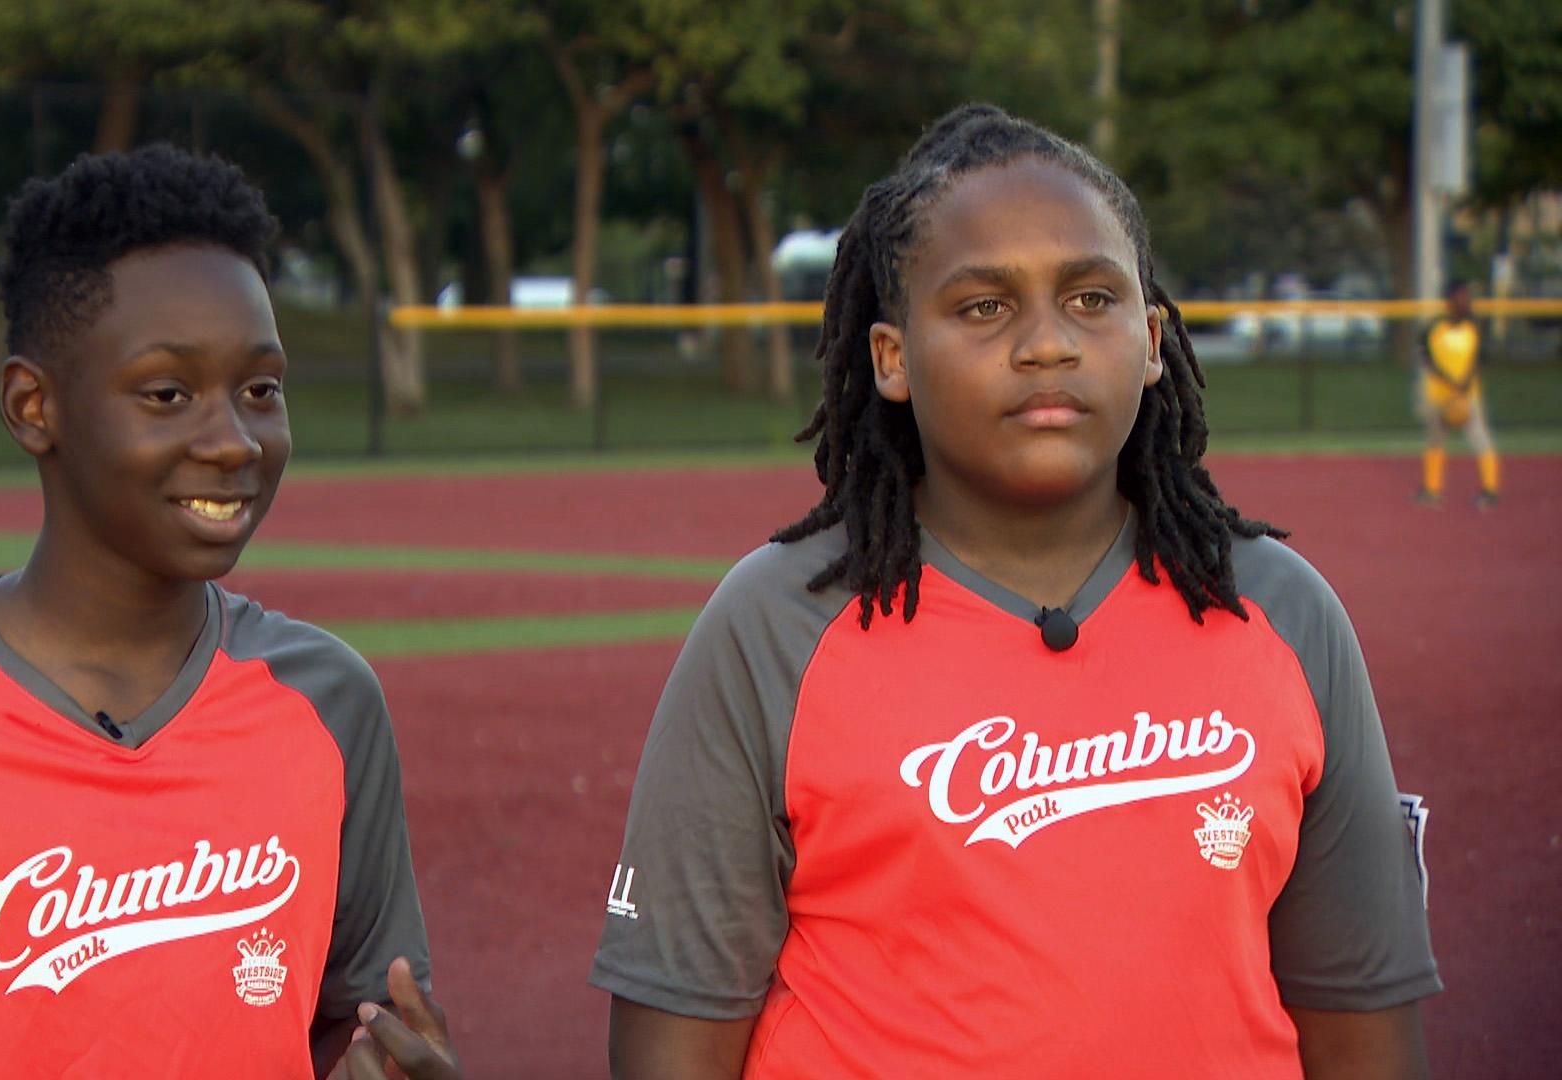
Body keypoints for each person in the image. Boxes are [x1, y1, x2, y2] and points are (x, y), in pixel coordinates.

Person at [592, 104, 1438, 1080]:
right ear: (892, 358)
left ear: (1154, 339)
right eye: (985, 306)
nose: (1048, 344)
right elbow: (673, 1045)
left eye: (1090, 299)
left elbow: (1363, 1029)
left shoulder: (1281, 614)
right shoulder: (777, 625)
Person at [0, 146, 461, 1080]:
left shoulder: (330, 703)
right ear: (32, 406)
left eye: (260, 390)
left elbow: (368, 1027)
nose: (233, 440)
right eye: (168, 394)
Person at [1415, 279, 1500, 509]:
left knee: (1480, 439)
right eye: (1461, 296)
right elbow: (1427, 360)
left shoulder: (1474, 326)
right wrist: (1449, 381)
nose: (1466, 301)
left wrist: (1465, 382)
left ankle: (1490, 490)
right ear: (1450, 301)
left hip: (1468, 397)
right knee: (1435, 441)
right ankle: (1432, 490)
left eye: (1468, 297)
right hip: (1439, 396)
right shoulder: (1434, 328)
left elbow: (1479, 359)